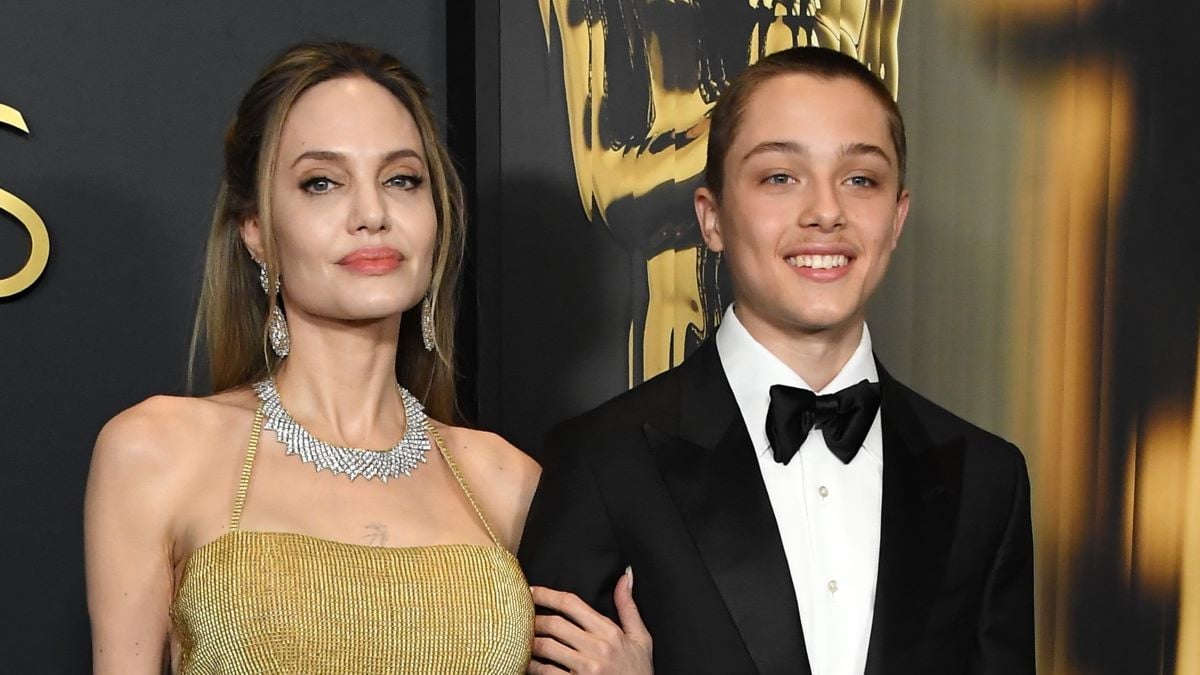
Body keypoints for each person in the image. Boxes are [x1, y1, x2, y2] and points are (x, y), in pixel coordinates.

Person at [84, 41, 641, 675]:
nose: (372, 214)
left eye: (402, 180)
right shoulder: (158, 451)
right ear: (257, 232)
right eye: (321, 183)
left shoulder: (506, 480)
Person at [520, 46, 1035, 675]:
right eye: (779, 177)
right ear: (711, 219)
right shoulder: (603, 462)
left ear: (897, 217)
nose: (825, 211)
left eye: (860, 180)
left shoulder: (986, 480)